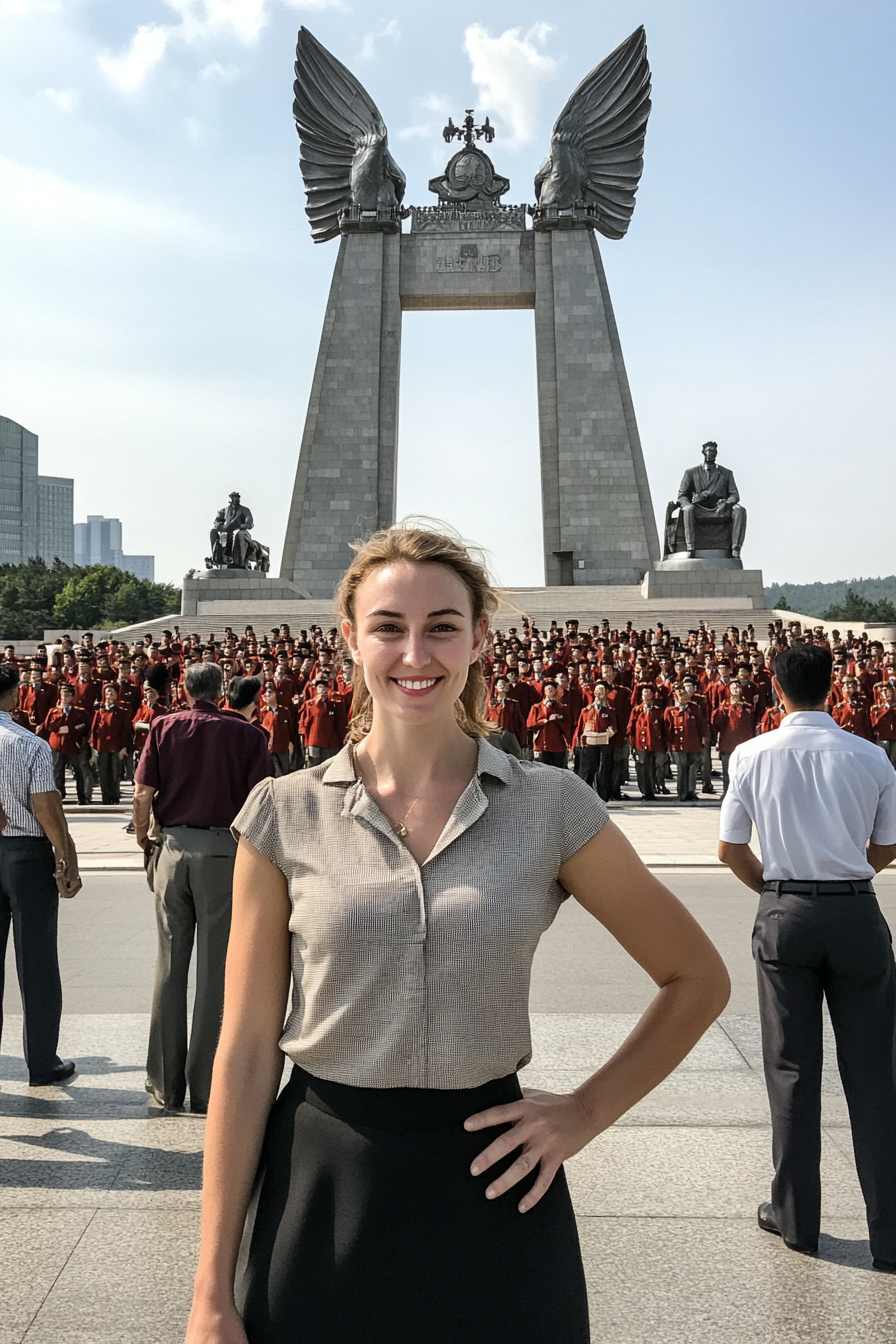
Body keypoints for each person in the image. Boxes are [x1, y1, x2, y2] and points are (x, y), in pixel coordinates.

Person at [183, 524, 729, 1344]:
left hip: (496, 1179)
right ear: (352, 639)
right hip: (324, 1177)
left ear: (479, 636)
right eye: (389, 626)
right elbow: (246, 1051)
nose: (416, 653)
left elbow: (697, 977)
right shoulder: (282, 812)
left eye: (443, 625)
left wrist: (584, 1111)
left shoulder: (551, 807)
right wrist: (209, 1290)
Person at [718, 643, 896, 1269]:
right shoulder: (870, 756)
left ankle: (797, 1220)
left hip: (785, 910)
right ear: (833, 684)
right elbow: (888, 847)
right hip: (855, 911)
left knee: (792, 1070)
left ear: (774, 686)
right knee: (875, 1074)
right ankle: (890, 1230)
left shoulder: (751, 754)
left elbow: (730, 849)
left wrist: (779, 886)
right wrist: (844, 874)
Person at [133, 663, 273, 1114]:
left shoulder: (163, 727)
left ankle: (164, 1084)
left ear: (186, 691)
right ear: (222, 691)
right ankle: (207, 1086)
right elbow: (262, 805)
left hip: (172, 846)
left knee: (169, 967)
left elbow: (142, 794)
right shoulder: (249, 736)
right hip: (224, 851)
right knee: (215, 971)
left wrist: (145, 839)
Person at [0, 661, 82, 1086]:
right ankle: (41, 1062)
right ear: (14, 695)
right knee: (37, 963)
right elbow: (46, 806)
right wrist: (65, 856)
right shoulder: (27, 743)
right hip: (25, 855)